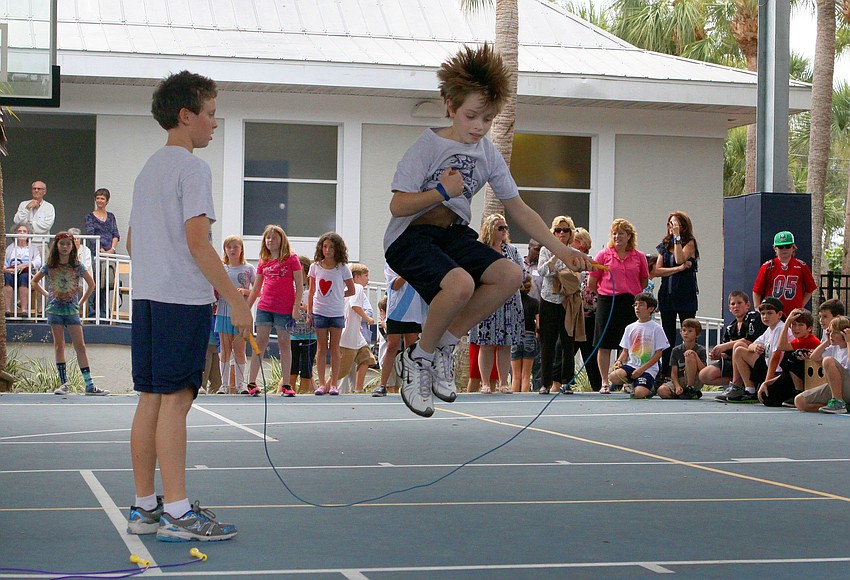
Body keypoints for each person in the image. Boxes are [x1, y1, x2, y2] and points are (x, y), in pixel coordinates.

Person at [384, 43, 592, 417]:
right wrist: (440, 192)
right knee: (461, 284)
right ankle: (418, 359)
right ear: (450, 105)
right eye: (471, 116)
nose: (479, 126)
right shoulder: (427, 146)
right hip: (410, 236)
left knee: (510, 274)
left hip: (452, 235)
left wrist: (563, 251)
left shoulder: (488, 154)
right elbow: (397, 205)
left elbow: (518, 209)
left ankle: (443, 345)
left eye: (488, 119)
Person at [126, 71, 252, 542]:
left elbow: (137, 241)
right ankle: (179, 513)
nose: (215, 124)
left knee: (151, 400)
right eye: (211, 113)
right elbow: (199, 244)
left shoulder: (148, 169)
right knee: (176, 402)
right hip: (181, 301)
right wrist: (237, 300)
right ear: (187, 115)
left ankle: (145, 510)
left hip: (148, 299)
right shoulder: (193, 168)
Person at [30, 232, 106, 396]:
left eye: (68, 244)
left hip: (71, 310)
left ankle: (89, 384)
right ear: (56, 246)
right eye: (62, 244)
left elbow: (91, 284)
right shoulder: (50, 265)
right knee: (59, 345)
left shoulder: (77, 265)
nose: (65, 247)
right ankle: (64, 383)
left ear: (72, 247)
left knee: (80, 345)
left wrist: (81, 302)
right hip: (55, 309)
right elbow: (34, 281)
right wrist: (47, 295)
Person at [587, 219, 648, 394]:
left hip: (630, 302)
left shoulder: (639, 256)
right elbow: (592, 282)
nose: (617, 236)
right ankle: (605, 382)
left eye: (621, 233)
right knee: (604, 343)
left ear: (629, 236)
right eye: (614, 233)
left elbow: (643, 279)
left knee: (629, 343)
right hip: (608, 301)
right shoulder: (603, 255)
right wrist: (605, 292)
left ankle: (626, 380)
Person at [468, 214, 525, 394]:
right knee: (485, 343)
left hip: (509, 302)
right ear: (490, 229)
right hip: (487, 299)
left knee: (505, 344)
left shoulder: (512, 251)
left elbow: (521, 273)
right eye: (500, 228)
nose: (504, 231)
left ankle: (503, 383)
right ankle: (485, 383)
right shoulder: (480, 250)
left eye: (505, 228)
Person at [246, 225, 301, 396]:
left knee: (284, 343)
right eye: (268, 238)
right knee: (260, 343)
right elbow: (256, 288)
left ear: (281, 240)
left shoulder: (292, 259)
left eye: (274, 237)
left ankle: (286, 384)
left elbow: (299, 286)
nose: (270, 241)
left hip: (284, 309)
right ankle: (252, 382)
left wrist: (295, 307)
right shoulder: (263, 260)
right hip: (265, 307)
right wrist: (245, 309)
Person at [308, 232, 355, 395]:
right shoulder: (315, 266)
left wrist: (338, 295)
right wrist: (309, 312)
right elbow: (312, 290)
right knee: (321, 348)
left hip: (336, 312)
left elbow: (352, 289)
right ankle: (321, 384)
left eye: (332, 247)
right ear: (321, 248)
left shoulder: (342, 267)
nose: (328, 250)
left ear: (338, 249)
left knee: (335, 348)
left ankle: (333, 383)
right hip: (319, 311)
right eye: (325, 246)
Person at [715, 297, 787, 403]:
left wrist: (767, 383)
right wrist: (755, 347)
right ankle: (748, 390)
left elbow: (775, 359)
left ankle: (745, 388)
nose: (765, 316)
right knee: (739, 348)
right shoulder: (769, 329)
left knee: (739, 348)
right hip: (768, 367)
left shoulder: (780, 328)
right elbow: (751, 345)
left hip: (777, 373)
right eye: (763, 314)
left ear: (779, 315)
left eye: (769, 313)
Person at [538, 216, 580, 395]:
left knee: (567, 342)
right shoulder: (545, 251)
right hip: (548, 299)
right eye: (558, 230)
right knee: (547, 342)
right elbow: (542, 271)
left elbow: (578, 274)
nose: (562, 233)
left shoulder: (573, 252)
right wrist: (556, 255)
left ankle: (567, 382)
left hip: (566, 301)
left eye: (565, 230)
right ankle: (545, 383)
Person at [654, 211, 699, 378]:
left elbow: (680, 258)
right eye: (670, 224)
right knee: (668, 334)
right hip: (668, 294)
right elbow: (658, 271)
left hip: (685, 294)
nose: (672, 227)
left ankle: (689, 371)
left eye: (675, 224)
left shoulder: (690, 243)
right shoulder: (664, 245)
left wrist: (678, 238)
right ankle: (666, 371)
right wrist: (677, 269)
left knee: (687, 331)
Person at [374, 264, 424, 397]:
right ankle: (382, 385)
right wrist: (408, 270)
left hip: (414, 311)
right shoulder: (392, 263)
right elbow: (395, 285)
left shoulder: (420, 261)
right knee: (392, 346)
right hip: (396, 311)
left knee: (410, 349)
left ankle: (410, 385)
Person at [699, 291, 766, 388]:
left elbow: (750, 340)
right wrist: (719, 355)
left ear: (747, 305)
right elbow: (729, 354)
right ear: (730, 308)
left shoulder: (754, 317)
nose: (736, 306)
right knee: (704, 375)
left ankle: (737, 385)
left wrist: (725, 345)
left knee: (738, 345)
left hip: (754, 357)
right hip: (735, 362)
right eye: (733, 304)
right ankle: (743, 382)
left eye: (739, 303)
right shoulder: (730, 327)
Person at [608, 293, 669, 399]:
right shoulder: (630, 328)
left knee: (639, 394)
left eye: (641, 305)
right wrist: (619, 361)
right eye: (635, 305)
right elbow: (625, 351)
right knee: (614, 376)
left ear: (650, 309)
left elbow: (658, 354)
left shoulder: (657, 328)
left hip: (648, 369)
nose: (637, 308)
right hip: (632, 366)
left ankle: (649, 387)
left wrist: (641, 369)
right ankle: (632, 382)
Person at [216, 235, 256, 395]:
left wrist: (245, 292)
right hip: (223, 312)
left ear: (241, 249)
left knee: (239, 349)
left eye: (235, 247)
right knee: (225, 349)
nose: (232, 250)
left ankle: (240, 385)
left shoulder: (249, 269)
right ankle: (224, 385)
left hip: (242, 316)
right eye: (229, 247)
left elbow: (258, 290)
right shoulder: (221, 268)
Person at [758, 308, 820, 407]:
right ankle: (791, 393)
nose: (796, 328)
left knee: (790, 355)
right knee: (767, 397)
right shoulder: (798, 340)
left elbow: (781, 346)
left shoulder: (810, 340)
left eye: (800, 325)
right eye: (794, 324)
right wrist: (767, 383)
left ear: (809, 328)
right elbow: (786, 372)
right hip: (793, 376)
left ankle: (798, 391)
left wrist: (786, 323)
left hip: (811, 377)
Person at [794, 316, 850, 413]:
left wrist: (848, 341)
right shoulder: (834, 348)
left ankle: (839, 403)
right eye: (830, 332)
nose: (831, 335)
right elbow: (814, 357)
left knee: (827, 360)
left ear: (844, 334)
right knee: (800, 401)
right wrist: (827, 341)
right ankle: (842, 404)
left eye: (835, 332)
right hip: (836, 387)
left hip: (847, 385)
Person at [752, 230, 817, 313]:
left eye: (788, 246)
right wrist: (757, 309)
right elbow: (757, 290)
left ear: (793, 248)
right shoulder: (767, 266)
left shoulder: (801, 266)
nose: (784, 249)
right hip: (772, 314)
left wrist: (800, 306)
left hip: (792, 313)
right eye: (780, 247)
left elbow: (810, 288)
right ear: (775, 248)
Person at [337, 263, 377, 393]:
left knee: (367, 358)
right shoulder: (357, 287)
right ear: (357, 277)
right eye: (366, 276)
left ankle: (358, 389)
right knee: (341, 372)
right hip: (348, 337)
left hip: (356, 336)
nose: (367, 279)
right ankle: (326, 388)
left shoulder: (348, 290)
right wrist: (368, 318)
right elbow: (355, 306)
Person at [572, 227, 602, 392]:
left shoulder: (591, 262)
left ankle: (597, 385)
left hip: (589, 314)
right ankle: (561, 382)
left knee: (590, 352)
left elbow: (593, 288)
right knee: (567, 350)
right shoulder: (568, 261)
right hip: (573, 314)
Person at [84, 188, 121, 317]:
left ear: (107, 201)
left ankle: (104, 314)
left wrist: (112, 249)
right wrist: (100, 250)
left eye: (102, 198)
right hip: (95, 254)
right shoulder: (89, 216)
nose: (100, 200)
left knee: (105, 283)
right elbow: (91, 234)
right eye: (98, 198)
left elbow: (115, 234)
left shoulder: (111, 217)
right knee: (94, 283)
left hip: (109, 255)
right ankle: (93, 313)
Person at [657, 318, 706, 399]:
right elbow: (674, 372)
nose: (686, 333)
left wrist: (695, 355)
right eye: (684, 330)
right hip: (680, 380)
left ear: (697, 334)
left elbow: (704, 370)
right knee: (662, 391)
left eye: (690, 331)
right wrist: (677, 386)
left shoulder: (700, 350)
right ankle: (682, 394)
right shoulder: (676, 350)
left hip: (695, 379)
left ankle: (690, 388)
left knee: (689, 355)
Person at [290, 255, 317, 395]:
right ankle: (290, 390)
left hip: (310, 335)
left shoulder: (312, 290)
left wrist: (306, 308)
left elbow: (317, 309)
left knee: (306, 369)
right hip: (292, 334)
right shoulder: (291, 288)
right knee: (292, 367)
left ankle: (302, 393)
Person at [4, 224, 41, 317]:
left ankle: (24, 309)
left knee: (24, 278)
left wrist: (26, 264)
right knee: (6, 278)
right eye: (19, 231)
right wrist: (6, 269)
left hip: (26, 271)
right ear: (15, 233)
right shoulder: (10, 247)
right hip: (11, 271)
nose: (22, 233)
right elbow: (4, 262)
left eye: (24, 231)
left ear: (29, 234)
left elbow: (38, 261)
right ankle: (7, 310)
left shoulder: (33, 248)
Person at [510, 274, 538, 392]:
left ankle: (514, 398)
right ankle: (524, 397)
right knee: (526, 375)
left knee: (515, 376)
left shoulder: (512, 302)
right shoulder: (534, 302)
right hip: (529, 335)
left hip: (515, 336)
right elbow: (538, 322)